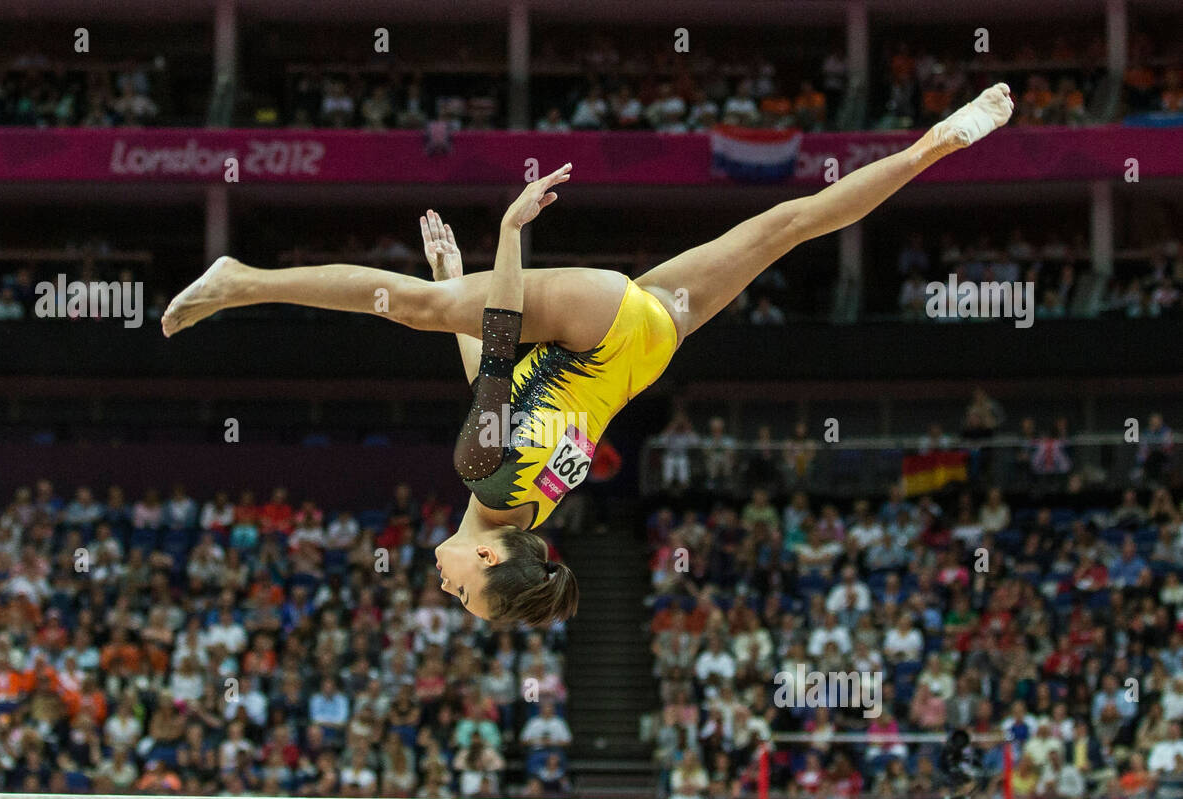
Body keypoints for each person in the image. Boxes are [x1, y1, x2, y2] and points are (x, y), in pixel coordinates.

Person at [162, 85, 1016, 628]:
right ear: (489, 559)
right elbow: (501, 344)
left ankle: (934, 144)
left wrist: (463, 275)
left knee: (787, 226)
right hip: (599, 323)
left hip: (646, 345)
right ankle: (241, 280)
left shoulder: (531, 514)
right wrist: (499, 241)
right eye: (464, 590)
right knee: (417, 306)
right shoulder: (486, 478)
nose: (447, 586)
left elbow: (514, 388)